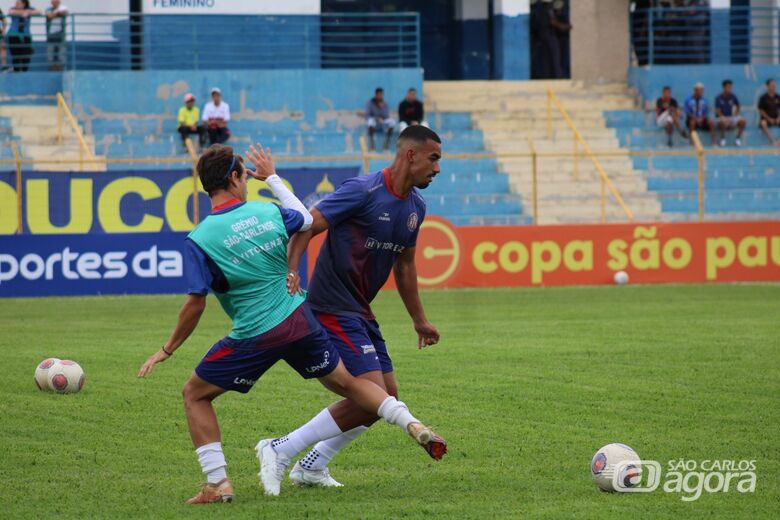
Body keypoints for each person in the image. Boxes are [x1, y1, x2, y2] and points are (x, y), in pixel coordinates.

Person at [137, 143, 446, 504]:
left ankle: (219, 483)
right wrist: (272, 178)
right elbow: (302, 217)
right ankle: (408, 422)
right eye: (245, 175)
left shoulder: (200, 239)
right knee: (351, 384)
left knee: (195, 393)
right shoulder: (266, 213)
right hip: (301, 321)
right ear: (237, 177)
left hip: (256, 334)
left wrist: (167, 349)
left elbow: (195, 303)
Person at [280, 125, 443, 488]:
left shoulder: (416, 207)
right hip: (330, 305)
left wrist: (419, 320)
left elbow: (404, 264)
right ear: (410, 155)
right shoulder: (363, 190)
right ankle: (282, 447)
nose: (438, 168)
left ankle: (312, 465)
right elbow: (309, 224)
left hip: (360, 309)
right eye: (433, 158)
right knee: (374, 398)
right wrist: (292, 269)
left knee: (387, 397)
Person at [7, 0, 41, 72]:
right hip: (14, 34)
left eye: (18, 3)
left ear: (23, 4)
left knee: (26, 53)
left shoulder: (29, 9)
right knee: (16, 54)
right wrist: (23, 13)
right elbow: (11, 12)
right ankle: (16, 71)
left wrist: (28, 12)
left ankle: (24, 70)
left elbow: (39, 12)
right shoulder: (13, 9)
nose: (16, 4)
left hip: (25, 35)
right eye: (16, 3)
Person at [714, 79, 746, 148]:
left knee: (743, 121)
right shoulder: (718, 98)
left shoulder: (733, 96)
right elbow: (718, 111)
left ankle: (738, 139)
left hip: (731, 117)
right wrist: (724, 118)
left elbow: (738, 106)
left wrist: (735, 114)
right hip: (722, 117)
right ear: (724, 87)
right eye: (728, 87)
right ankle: (723, 139)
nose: (730, 89)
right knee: (722, 122)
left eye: (730, 87)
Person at [365, 87, 395, 152]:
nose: (380, 96)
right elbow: (367, 115)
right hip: (374, 122)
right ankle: (372, 147)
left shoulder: (384, 103)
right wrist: (376, 118)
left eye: (381, 95)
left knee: (392, 122)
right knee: (370, 121)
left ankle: (386, 146)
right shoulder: (370, 103)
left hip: (382, 122)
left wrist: (381, 108)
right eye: (379, 95)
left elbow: (386, 116)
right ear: (376, 95)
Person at [44, 0, 67, 71]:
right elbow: (49, 16)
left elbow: (64, 13)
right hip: (50, 36)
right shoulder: (48, 9)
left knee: (61, 55)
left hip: (60, 35)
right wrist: (58, 14)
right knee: (50, 55)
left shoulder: (63, 8)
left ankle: (62, 71)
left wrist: (54, 14)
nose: (55, 2)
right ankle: (51, 71)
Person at [758, 78, 780, 147]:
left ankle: (779, 141)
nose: (773, 87)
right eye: (772, 85)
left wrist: (778, 118)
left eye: (774, 85)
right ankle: (773, 141)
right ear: (767, 86)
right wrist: (769, 119)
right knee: (763, 123)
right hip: (766, 119)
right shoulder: (763, 98)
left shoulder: (778, 97)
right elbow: (761, 111)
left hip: (776, 118)